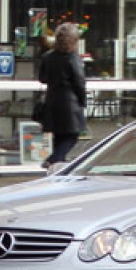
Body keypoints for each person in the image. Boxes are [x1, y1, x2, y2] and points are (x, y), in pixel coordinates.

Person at [38, 22, 87, 168]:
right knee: (72, 136)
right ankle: (53, 160)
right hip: (70, 104)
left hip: (52, 102)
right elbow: (79, 83)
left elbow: (42, 78)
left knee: (58, 137)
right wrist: (83, 101)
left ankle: (57, 166)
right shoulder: (73, 58)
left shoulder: (48, 57)